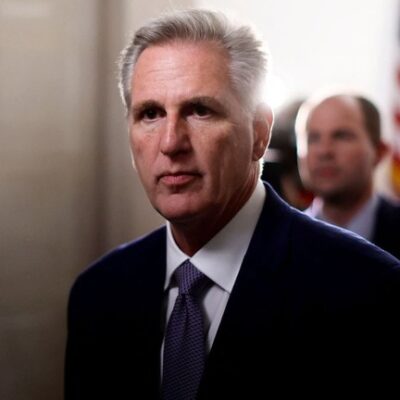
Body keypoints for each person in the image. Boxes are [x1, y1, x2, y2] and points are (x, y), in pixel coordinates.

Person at [65, 10, 400, 399]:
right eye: (151, 114)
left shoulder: (368, 290)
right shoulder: (98, 293)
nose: (171, 143)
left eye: (200, 110)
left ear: (259, 132)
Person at [296, 91, 400, 259]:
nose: (324, 151)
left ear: (379, 151)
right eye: (313, 138)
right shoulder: (277, 240)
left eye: (341, 136)